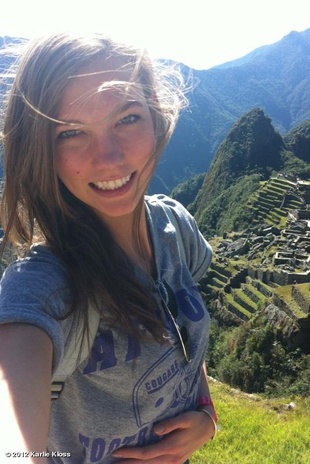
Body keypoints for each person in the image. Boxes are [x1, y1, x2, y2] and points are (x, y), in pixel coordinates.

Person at [0, 32, 217, 464]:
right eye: (71, 134)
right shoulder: (43, 285)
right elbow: (11, 424)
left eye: (128, 119)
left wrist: (207, 416)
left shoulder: (176, 228)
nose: (110, 158)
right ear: (42, 149)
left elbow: (183, 337)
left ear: (155, 114)